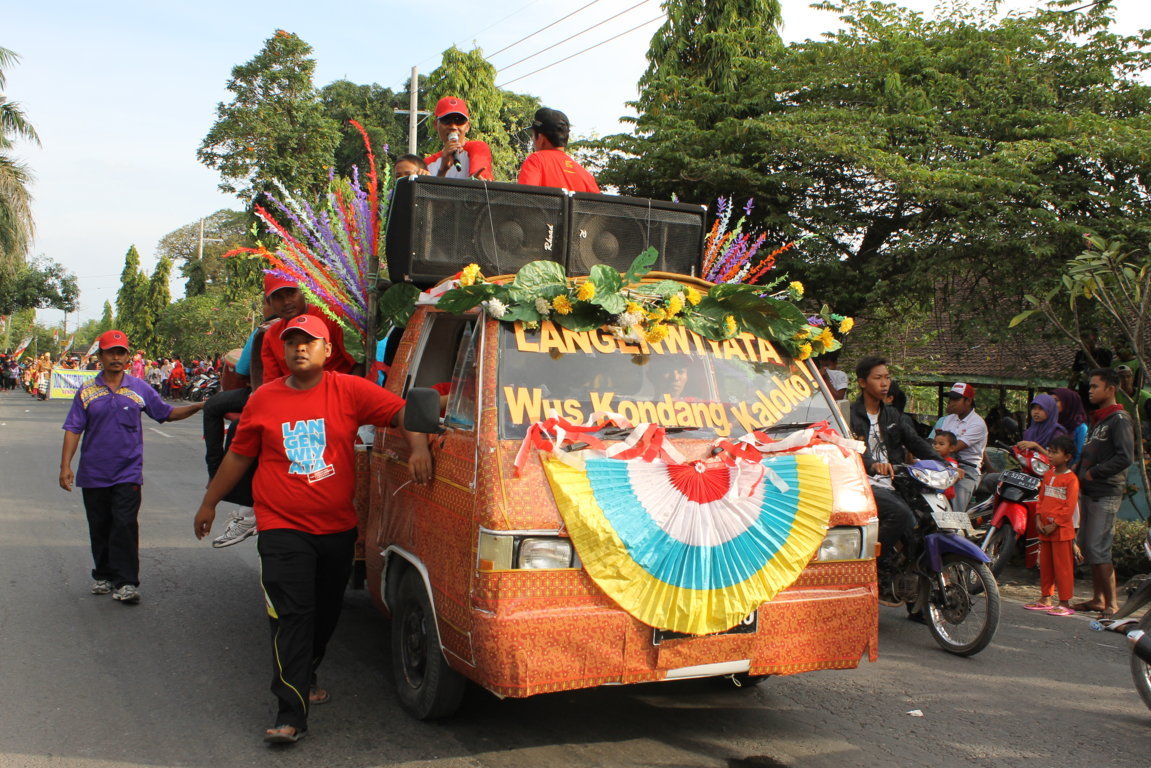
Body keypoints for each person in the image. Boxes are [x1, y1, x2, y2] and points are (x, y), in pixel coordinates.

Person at [193, 314, 433, 744]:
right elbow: (239, 457)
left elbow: (404, 412)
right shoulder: (263, 400)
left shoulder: (349, 390)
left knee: (324, 614)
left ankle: (306, 669)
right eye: (292, 342)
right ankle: (290, 713)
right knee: (292, 615)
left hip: (337, 528)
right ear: (282, 352)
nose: (299, 348)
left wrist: (417, 448)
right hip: (281, 527)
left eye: (310, 341)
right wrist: (209, 502)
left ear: (327, 351)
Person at [59, 330, 205, 603]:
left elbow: (167, 414)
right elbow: (73, 428)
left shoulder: (139, 389)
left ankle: (126, 582)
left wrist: (198, 406)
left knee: (125, 524)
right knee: (99, 525)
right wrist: (65, 466)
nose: (116, 357)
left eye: (121, 352)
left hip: (127, 472)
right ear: (100, 356)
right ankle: (103, 574)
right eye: (110, 352)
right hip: (93, 473)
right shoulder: (87, 391)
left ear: (128, 356)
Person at [849, 356, 942, 603]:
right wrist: (872, 465)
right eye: (878, 378)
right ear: (862, 382)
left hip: (895, 482)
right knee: (900, 514)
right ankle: (874, 566)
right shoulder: (848, 414)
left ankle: (920, 602)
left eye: (887, 377)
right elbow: (849, 449)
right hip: (861, 483)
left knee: (926, 524)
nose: (884, 383)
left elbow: (915, 442)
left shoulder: (893, 415)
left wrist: (946, 463)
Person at [1073, 367, 1135, 619]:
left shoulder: (1119, 419)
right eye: (1090, 386)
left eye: (1095, 386)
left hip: (1105, 491)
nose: (1090, 390)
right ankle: (1098, 599)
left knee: (1099, 547)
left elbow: (1125, 457)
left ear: (1111, 388)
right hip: (1089, 491)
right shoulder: (1098, 420)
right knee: (1089, 545)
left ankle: (1112, 605)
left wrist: (1094, 473)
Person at [260, 274, 356, 384]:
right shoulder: (271, 335)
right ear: (268, 302)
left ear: (303, 291)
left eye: (291, 293)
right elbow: (271, 382)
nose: (286, 302)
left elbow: (358, 364)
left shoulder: (333, 318)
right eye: (278, 297)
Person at [1023, 434, 1080, 616]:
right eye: (1050, 452)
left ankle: (1065, 601)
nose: (1050, 455)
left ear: (1067, 456)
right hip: (1044, 528)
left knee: (1062, 567)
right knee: (1046, 564)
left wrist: (1055, 524)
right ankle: (1046, 597)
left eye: (1055, 452)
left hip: (1061, 530)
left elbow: (1069, 506)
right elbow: (1041, 499)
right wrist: (1038, 518)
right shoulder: (1048, 475)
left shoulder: (1071, 479)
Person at [517, 107, 600, 193]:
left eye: (533, 135)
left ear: (541, 138)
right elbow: (600, 205)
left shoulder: (535, 161)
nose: (533, 139)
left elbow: (524, 200)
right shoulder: (586, 176)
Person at [933, 382, 987, 513]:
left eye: (956, 399)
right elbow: (937, 443)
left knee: (957, 494)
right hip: (944, 464)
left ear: (968, 401)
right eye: (950, 399)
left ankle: (955, 527)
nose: (951, 402)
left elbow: (953, 448)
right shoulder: (948, 419)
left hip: (967, 469)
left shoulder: (977, 423)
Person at [424, 97, 494, 180]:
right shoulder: (426, 164)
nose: (453, 127)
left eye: (459, 121)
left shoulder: (478, 147)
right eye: (446, 120)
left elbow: (479, 179)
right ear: (436, 125)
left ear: (467, 126)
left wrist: (476, 180)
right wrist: (442, 170)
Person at [1070, 328, 1112, 410]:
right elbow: (1075, 375)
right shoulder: (1080, 354)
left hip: (1099, 394)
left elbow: (1102, 372)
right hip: (1084, 394)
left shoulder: (1105, 353)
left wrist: (1088, 354)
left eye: (1087, 338)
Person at [1053, 387, 1088, 466]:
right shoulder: (1053, 424)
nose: (1052, 404)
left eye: (1056, 401)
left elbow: (1080, 455)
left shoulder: (1081, 428)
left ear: (1068, 403)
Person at [932, 431, 962, 505]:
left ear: (951, 448)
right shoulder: (929, 459)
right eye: (934, 443)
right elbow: (914, 462)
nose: (936, 446)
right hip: (931, 491)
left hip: (945, 496)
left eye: (941, 444)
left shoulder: (952, 463)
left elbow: (952, 471)